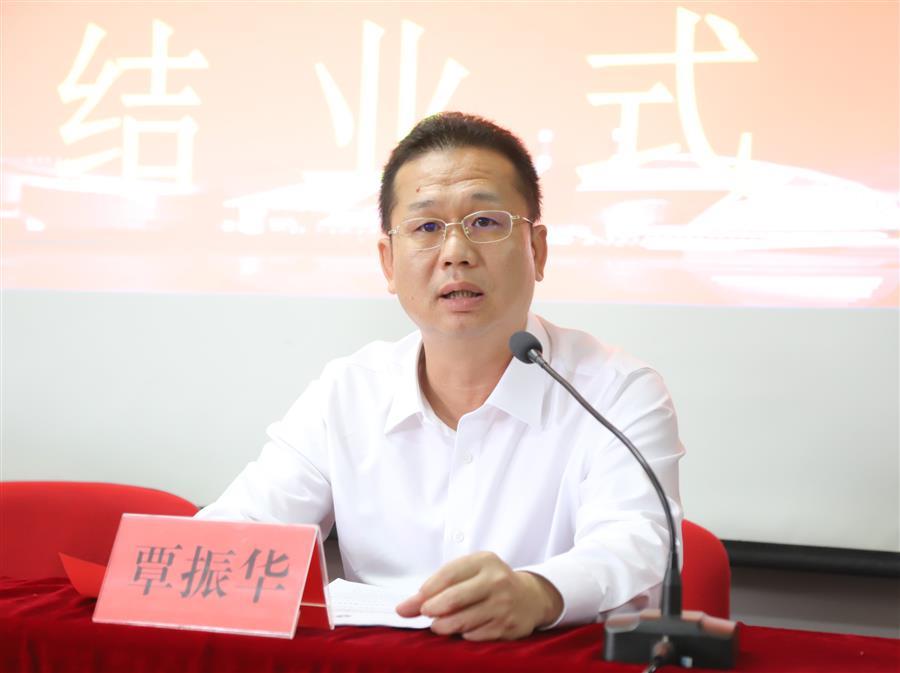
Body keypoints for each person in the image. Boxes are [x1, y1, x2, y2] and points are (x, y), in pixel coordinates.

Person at [196, 112, 685, 641]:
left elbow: (635, 542)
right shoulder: (348, 393)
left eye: (486, 222)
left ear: (537, 250)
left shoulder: (615, 391)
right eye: (427, 228)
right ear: (388, 262)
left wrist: (539, 592)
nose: (456, 253)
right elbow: (236, 534)